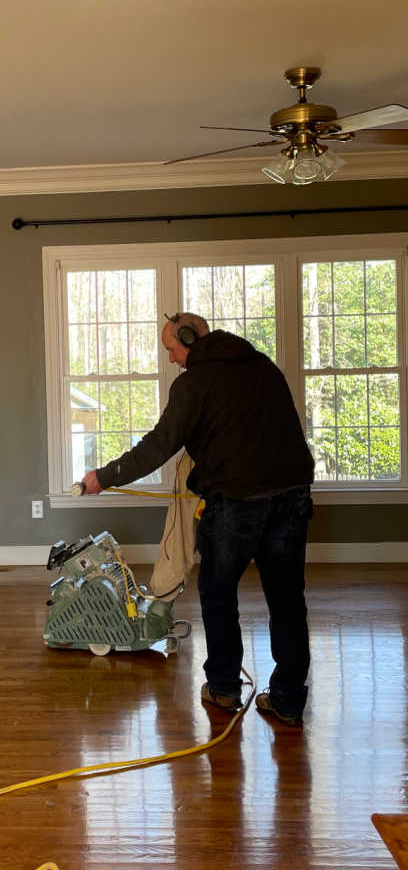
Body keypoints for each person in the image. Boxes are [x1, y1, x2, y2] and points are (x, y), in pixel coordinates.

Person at [81, 311, 314, 726]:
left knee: (218, 593)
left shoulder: (193, 383)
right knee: (287, 601)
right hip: (292, 498)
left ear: (188, 337)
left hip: (236, 504)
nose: (171, 359)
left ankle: (223, 688)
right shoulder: (264, 366)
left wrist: (104, 476)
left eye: (171, 349)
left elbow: (158, 445)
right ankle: (289, 700)